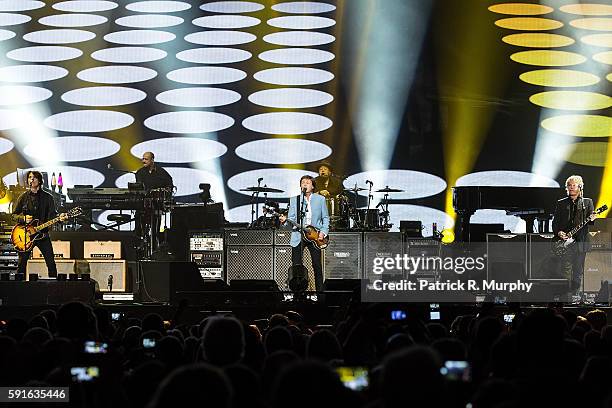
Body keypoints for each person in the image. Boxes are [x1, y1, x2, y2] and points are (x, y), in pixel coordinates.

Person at [12, 170, 67, 277]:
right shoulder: (23, 197)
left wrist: (60, 218)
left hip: (43, 236)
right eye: (30, 177)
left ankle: (53, 289)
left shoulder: (48, 197)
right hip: (26, 235)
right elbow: (13, 215)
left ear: (40, 181)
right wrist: (23, 218)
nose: (31, 179)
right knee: (21, 265)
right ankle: (19, 289)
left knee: (51, 264)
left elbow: (52, 215)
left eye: (34, 177)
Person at [279, 175, 330, 291]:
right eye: (303, 182)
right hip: (298, 236)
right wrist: (284, 222)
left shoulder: (320, 199)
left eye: (307, 182)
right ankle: (298, 293)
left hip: (315, 236)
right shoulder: (295, 200)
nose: (305, 184)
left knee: (317, 265)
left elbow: (325, 218)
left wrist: (323, 232)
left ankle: (320, 294)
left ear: (312, 186)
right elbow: (290, 221)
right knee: (297, 266)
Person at [552, 175, 596, 298]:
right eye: (569, 186)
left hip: (581, 242)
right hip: (565, 242)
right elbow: (555, 223)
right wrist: (559, 232)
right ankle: (565, 297)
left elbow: (591, 222)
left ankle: (575, 296)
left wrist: (592, 218)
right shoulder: (561, 203)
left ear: (580, 187)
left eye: (573, 185)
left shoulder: (587, 202)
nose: (571, 188)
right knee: (565, 270)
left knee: (577, 270)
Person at [134, 152, 173, 253]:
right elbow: (139, 188)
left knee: (156, 227)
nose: (143, 161)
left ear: (152, 160)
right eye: (143, 159)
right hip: (143, 205)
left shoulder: (161, 172)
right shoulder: (140, 172)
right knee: (139, 225)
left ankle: (155, 249)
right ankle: (139, 247)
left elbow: (169, 184)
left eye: (146, 159)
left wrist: (165, 193)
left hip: (156, 205)